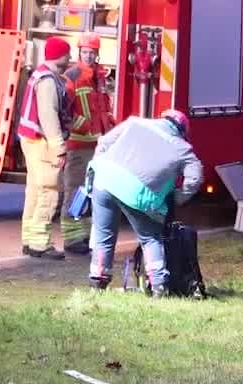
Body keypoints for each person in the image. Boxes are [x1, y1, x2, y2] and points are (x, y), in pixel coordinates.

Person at [86, 109, 204, 295]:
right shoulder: (182, 148)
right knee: (150, 238)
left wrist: (101, 167)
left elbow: (104, 142)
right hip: (138, 194)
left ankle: (97, 284)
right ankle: (158, 286)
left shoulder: (135, 123)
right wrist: (178, 197)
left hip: (104, 181)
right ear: (182, 130)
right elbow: (195, 179)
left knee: (104, 235)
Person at [17, 36, 73, 259]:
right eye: (67, 54)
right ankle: (40, 243)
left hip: (31, 140)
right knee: (48, 192)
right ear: (60, 56)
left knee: (34, 191)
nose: (70, 59)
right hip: (42, 142)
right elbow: (48, 116)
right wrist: (59, 147)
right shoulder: (49, 81)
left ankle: (29, 239)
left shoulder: (39, 74)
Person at [61, 32, 115, 254]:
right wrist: (83, 124)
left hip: (95, 145)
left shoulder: (98, 78)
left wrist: (110, 125)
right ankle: (72, 239)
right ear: (79, 52)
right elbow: (64, 111)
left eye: (92, 53)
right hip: (78, 145)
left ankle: (82, 236)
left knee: (89, 192)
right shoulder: (71, 77)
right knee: (75, 190)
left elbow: (101, 108)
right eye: (85, 52)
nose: (89, 56)